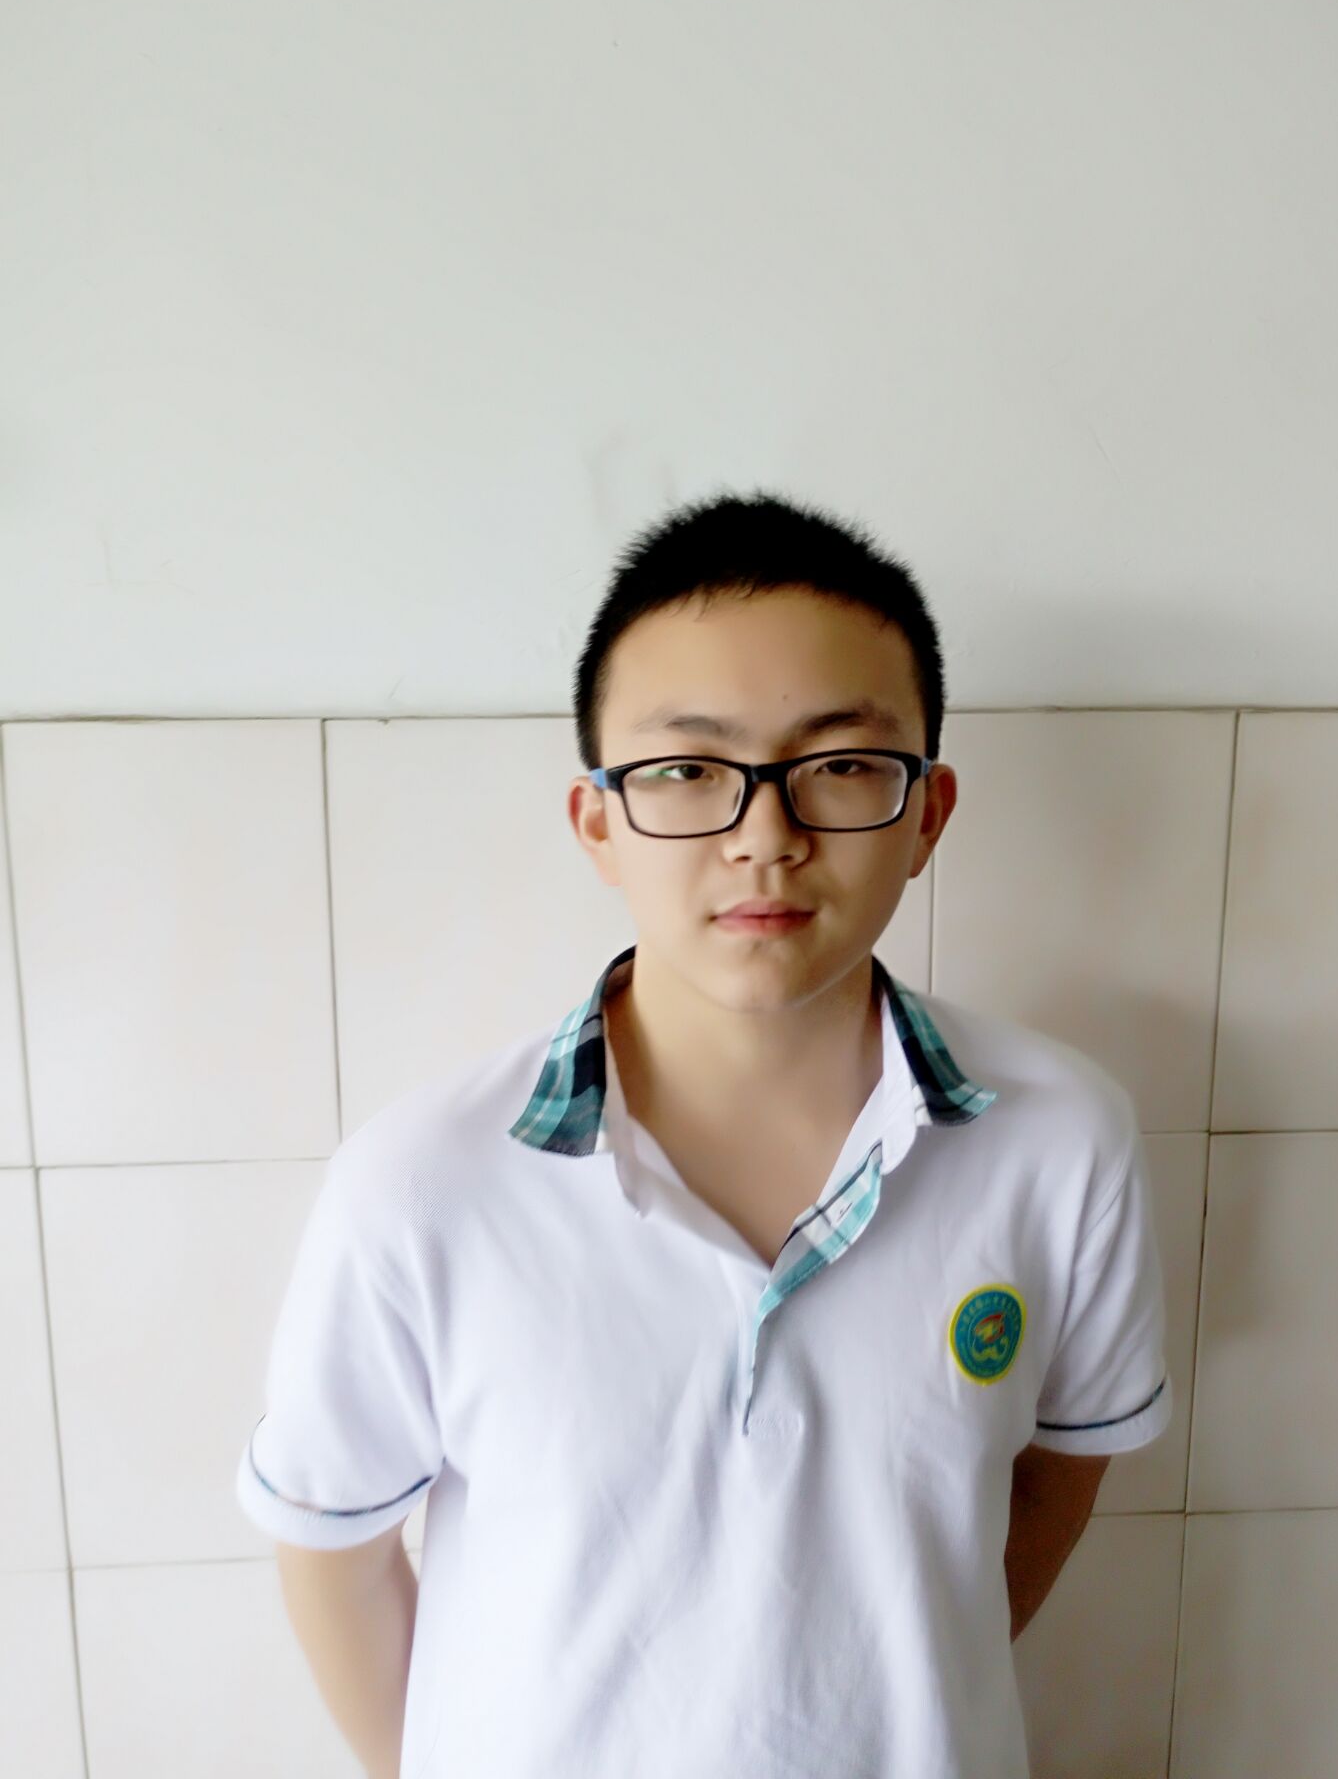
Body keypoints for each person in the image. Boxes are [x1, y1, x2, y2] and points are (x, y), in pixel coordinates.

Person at [235, 488, 1172, 1779]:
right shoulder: (420, 1186)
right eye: (686, 772)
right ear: (599, 822)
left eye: (841, 766)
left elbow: (1053, 1482)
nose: (765, 838)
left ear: (927, 813)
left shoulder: (1062, 1141)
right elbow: (330, 1552)